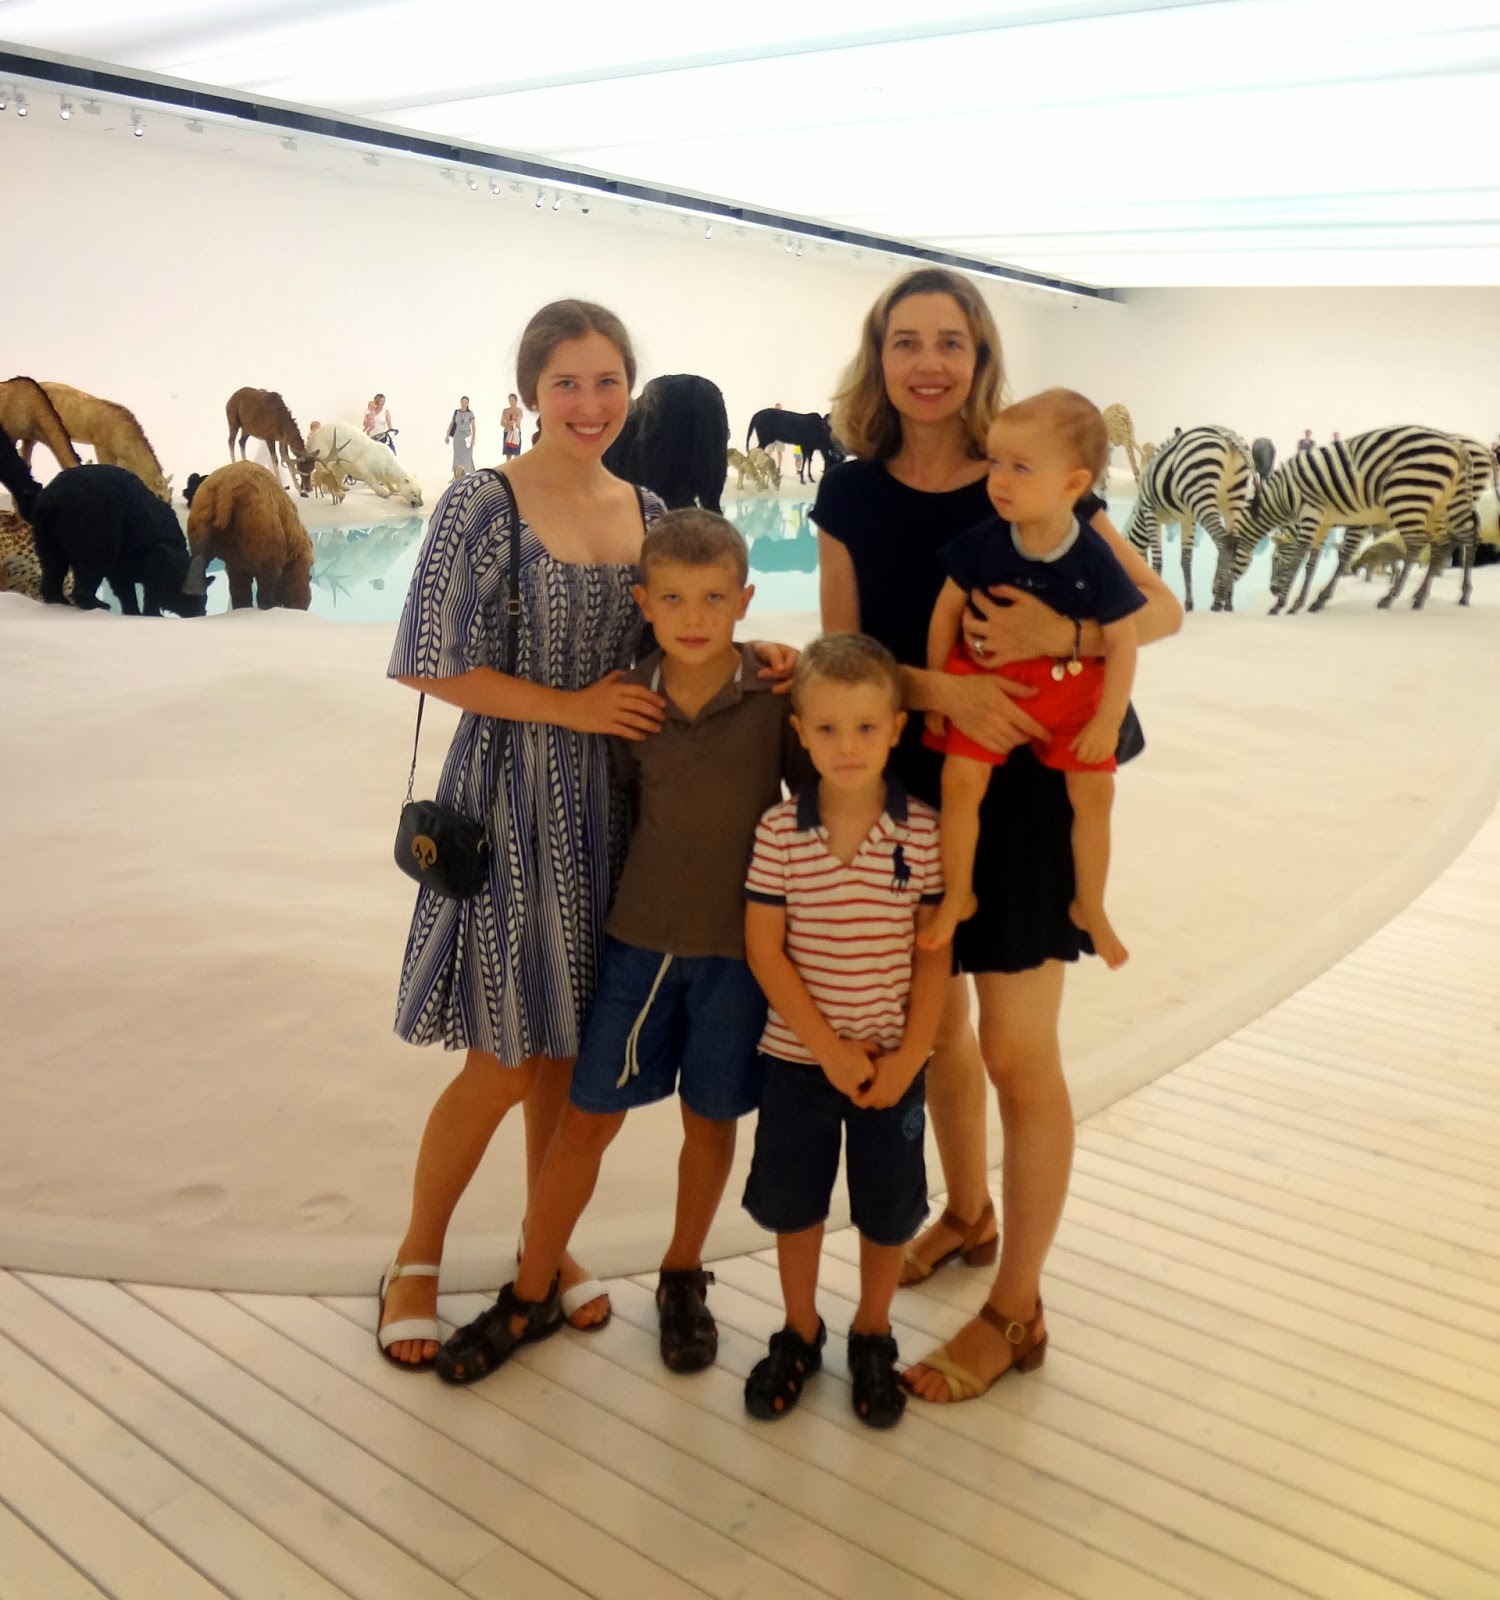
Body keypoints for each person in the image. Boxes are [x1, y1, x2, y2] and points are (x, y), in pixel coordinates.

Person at [377, 301, 793, 1369]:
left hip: (615, 810)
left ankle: (542, 1243)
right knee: (503, 1056)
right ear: (530, 392)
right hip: (513, 795)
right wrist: (567, 708)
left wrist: (763, 659)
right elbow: (423, 657)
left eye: (608, 381)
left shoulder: (644, 507)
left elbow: (681, 631)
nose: (590, 402)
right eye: (567, 382)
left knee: (567, 1052)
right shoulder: (483, 502)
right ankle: (415, 1255)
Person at [811, 267, 1181, 1403]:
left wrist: (1061, 633)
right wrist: (945, 692)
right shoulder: (850, 492)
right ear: (878, 357)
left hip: (1022, 797)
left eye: (951, 343)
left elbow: (1159, 611)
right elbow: (844, 659)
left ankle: (1018, 1307)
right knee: (940, 1032)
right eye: (906, 341)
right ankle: (968, 1213)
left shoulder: (1027, 473)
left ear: (980, 359)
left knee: (1019, 1053)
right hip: (907, 782)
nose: (928, 363)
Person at [435, 509, 807, 1385]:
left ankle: (683, 1273)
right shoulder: (628, 700)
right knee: (585, 1122)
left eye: (714, 598)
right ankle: (531, 1290)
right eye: (672, 598)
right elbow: (616, 806)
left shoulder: (775, 697)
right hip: (639, 946)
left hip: (737, 956)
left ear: (745, 599)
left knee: (710, 1120)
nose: (694, 616)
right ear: (642, 602)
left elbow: (817, 797)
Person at [741, 634, 949, 1429]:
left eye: (866, 727)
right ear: (800, 733)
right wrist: (825, 1049)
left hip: (892, 1066)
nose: (848, 746)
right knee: (796, 1204)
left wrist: (910, 1058)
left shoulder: (922, 833)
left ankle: (872, 1330)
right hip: (799, 1063)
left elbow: (934, 957)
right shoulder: (778, 833)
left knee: (888, 1210)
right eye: (827, 729)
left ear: (896, 729)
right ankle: (799, 1330)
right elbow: (765, 950)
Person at [920, 390, 1144, 967]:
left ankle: (1089, 905)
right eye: (995, 463)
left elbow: (1122, 641)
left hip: (1071, 691)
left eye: (1020, 468)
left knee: (1095, 794)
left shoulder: (1092, 554)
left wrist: (1108, 719)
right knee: (959, 783)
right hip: (986, 684)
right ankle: (959, 893)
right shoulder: (984, 540)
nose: (999, 480)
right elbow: (945, 612)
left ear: (1073, 484)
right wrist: (940, 692)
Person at [446, 396, 476, 479]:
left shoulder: (470, 413)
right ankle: (456, 476)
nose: (464, 404)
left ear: (468, 404)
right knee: (457, 456)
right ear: (460, 402)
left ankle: (468, 475)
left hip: (467, 437)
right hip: (458, 436)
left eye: (466, 403)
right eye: (463, 402)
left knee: (467, 456)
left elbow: (473, 427)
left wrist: (473, 439)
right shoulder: (456, 412)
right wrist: (447, 434)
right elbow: (452, 423)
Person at [502, 393, 525, 460]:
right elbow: (502, 423)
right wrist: (511, 422)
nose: (510, 402)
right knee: (508, 455)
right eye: (509, 400)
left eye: (512, 400)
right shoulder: (505, 410)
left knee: (516, 454)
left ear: (516, 401)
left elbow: (518, 423)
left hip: (516, 433)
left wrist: (508, 423)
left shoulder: (519, 410)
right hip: (507, 433)